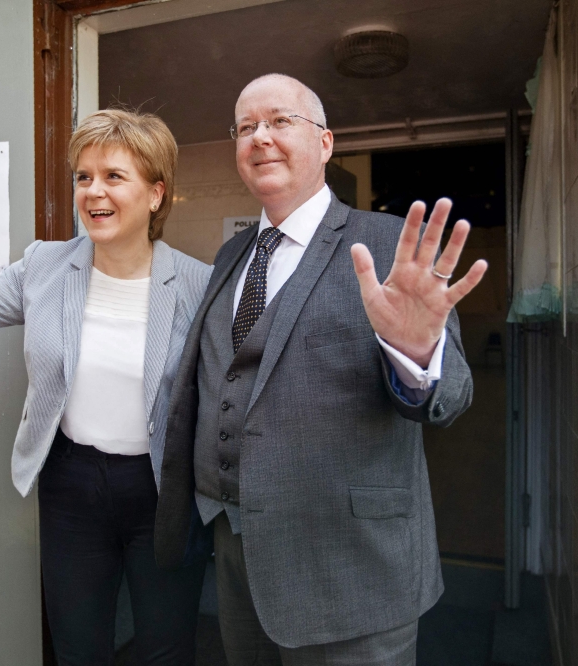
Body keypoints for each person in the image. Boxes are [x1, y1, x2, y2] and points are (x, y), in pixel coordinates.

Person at [154, 73, 489, 665]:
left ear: (326, 143)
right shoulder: (232, 256)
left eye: (281, 121)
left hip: (352, 569)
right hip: (240, 557)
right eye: (246, 127)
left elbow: (450, 397)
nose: (261, 137)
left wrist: (416, 351)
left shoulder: (387, 245)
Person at [0, 109, 211, 666]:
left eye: (113, 176)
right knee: (77, 646)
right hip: (71, 484)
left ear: (155, 194)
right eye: (83, 176)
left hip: (163, 491)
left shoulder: (200, 283)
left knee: (166, 648)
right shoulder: (45, 267)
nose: (93, 191)